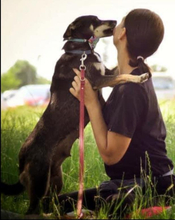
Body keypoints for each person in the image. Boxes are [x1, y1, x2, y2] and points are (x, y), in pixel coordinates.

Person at [58, 8, 175, 217]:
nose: (116, 25)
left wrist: (91, 102)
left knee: (113, 205)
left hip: (153, 185)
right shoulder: (132, 76)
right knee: (59, 203)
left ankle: (153, 207)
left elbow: (111, 155)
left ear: (122, 34)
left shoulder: (131, 89)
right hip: (128, 183)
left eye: (121, 23)